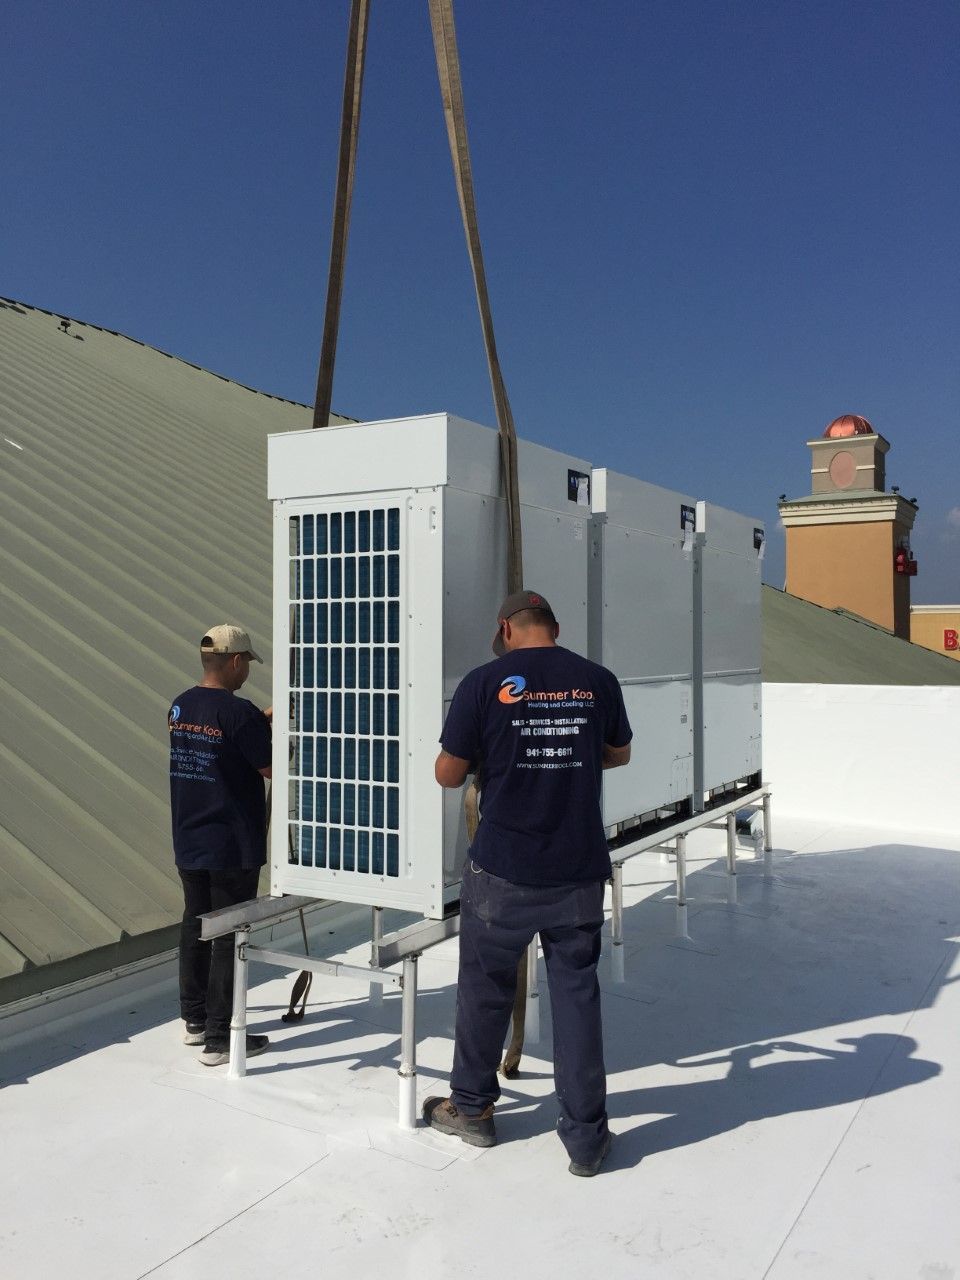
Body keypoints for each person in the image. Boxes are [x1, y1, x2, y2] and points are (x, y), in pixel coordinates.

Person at [423, 590, 632, 1176]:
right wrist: (569, 749)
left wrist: (501, 752)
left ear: (505, 629)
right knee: (576, 998)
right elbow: (620, 752)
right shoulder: (596, 679)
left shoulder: (484, 682)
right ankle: (587, 1140)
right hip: (577, 869)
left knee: (485, 989)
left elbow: (447, 774)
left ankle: (472, 1110)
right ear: (554, 627)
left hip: (503, 871)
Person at [168, 624, 273, 1067]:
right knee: (228, 934)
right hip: (231, 843)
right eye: (246, 662)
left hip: (189, 837)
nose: (246, 670)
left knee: (195, 923)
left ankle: (194, 1021)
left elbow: (215, 746)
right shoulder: (239, 713)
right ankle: (219, 1038)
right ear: (234, 661)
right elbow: (269, 769)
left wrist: (256, 724)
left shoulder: (180, 706)